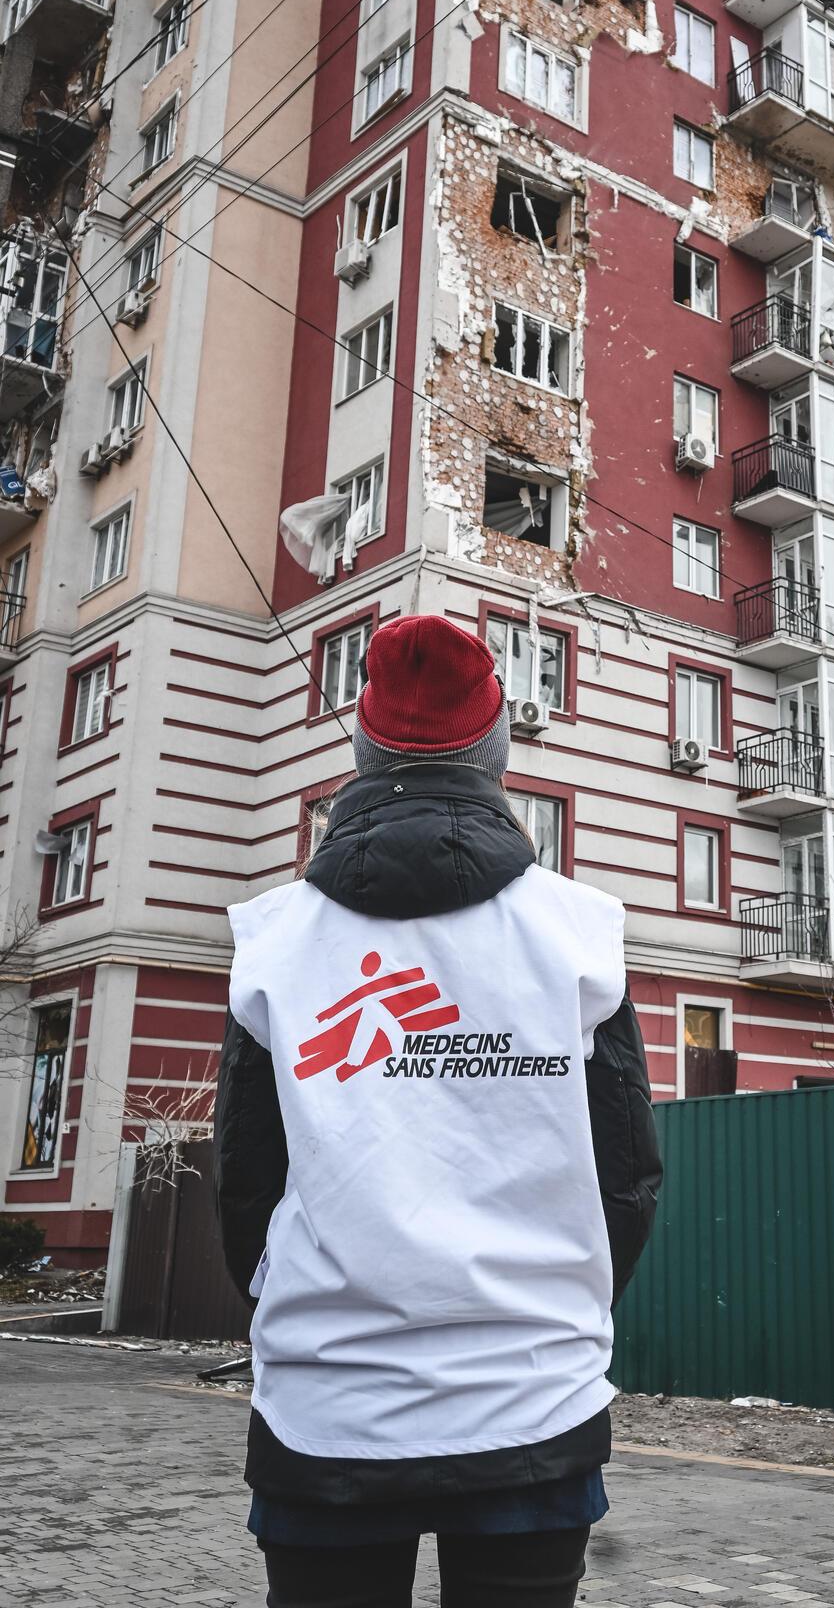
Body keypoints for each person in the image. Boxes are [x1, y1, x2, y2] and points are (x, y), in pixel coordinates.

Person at [214, 613, 662, 1608]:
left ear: (363, 749)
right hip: (531, 1396)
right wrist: (551, 1308)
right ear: (497, 746)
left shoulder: (277, 945)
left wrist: (310, 1315)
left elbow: (244, 1186)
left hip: (325, 1405)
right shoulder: (577, 937)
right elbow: (625, 1179)